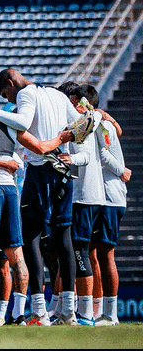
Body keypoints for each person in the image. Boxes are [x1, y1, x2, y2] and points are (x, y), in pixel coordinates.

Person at [0, 68, 84, 326]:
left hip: (41, 169)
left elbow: (23, 123)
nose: (8, 99)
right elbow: (79, 124)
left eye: (6, 93)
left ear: (10, 83)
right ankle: (69, 311)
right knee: (63, 238)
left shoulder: (26, 94)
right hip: (63, 169)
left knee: (30, 237)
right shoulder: (56, 93)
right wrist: (64, 139)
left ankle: (39, 311)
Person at [51, 85, 105, 325]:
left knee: (78, 253)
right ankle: (67, 311)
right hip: (82, 196)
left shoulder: (83, 122)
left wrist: (69, 158)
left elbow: (83, 156)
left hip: (83, 197)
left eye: (70, 103)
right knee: (71, 254)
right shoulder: (86, 120)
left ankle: (85, 314)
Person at [90, 91, 131, 326]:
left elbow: (105, 153)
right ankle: (98, 311)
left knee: (105, 254)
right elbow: (116, 132)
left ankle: (110, 313)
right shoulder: (104, 123)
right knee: (93, 252)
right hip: (103, 195)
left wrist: (122, 171)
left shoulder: (99, 124)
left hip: (108, 196)